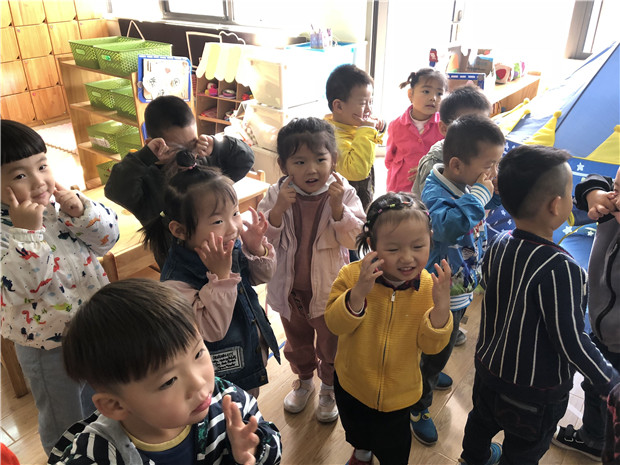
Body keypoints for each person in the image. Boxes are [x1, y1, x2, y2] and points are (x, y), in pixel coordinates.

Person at [459, 145, 620, 465]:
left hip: (489, 372)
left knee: (479, 423)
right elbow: (572, 341)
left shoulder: (498, 244)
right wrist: (610, 381)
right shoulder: (564, 269)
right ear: (556, 205)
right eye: (569, 192)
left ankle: (473, 458)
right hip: (535, 395)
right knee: (523, 450)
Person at [47, 279, 282, 465]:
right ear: (115, 405)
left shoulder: (228, 401)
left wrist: (255, 449)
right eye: (169, 381)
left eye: (199, 354)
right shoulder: (95, 455)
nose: (199, 383)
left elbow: (271, 440)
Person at [0, 119, 119, 455]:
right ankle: (67, 458)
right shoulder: (7, 233)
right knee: (64, 421)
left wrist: (83, 211)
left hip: (94, 329)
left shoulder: (61, 209)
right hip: (47, 348)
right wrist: (27, 234)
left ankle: (104, 450)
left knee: (104, 398)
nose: (39, 181)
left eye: (42, 166)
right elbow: (28, 286)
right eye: (19, 175)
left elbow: (107, 241)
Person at [325, 192, 453, 465]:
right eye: (393, 249)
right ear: (372, 244)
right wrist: (358, 294)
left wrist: (442, 309)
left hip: (400, 394)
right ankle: (361, 451)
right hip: (352, 382)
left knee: (394, 448)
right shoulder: (352, 275)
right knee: (356, 429)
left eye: (418, 246)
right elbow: (334, 324)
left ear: (430, 239)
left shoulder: (429, 287)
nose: (407, 258)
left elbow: (431, 347)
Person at [142, 156, 280, 397]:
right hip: (221, 374)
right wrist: (221, 276)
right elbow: (211, 330)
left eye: (235, 213)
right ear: (179, 230)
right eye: (218, 220)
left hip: (250, 349)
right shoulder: (175, 281)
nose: (233, 227)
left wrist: (257, 249)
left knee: (250, 402)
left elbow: (262, 277)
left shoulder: (229, 245)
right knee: (229, 410)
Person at [257, 117, 365, 423]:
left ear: (334, 160)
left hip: (329, 289)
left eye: (320, 159)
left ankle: (328, 386)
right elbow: (261, 241)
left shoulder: (343, 193)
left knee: (331, 341)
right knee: (297, 339)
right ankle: (304, 380)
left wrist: (338, 210)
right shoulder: (276, 193)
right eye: (300, 162)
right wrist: (278, 210)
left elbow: (356, 239)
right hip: (289, 289)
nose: (311, 169)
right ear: (283, 165)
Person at [412, 114, 505, 446]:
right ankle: (418, 405)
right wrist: (479, 195)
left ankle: (431, 369)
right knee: (434, 344)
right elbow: (448, 226)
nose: (492, 172)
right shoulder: (435, 190)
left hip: (461, 283)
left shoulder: (468, 184)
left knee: (444, 345)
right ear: (456, 164)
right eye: (489, 165)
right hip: (439, 292)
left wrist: (494, 190)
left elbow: (484, 204)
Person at [104, 95, 255, 267]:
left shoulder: (204, 162)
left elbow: (245, 160)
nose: (187, 156)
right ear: (153, 144)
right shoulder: (145, 182)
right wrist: (144, 157)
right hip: (179, 267)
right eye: (176, 150)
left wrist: (217, 145)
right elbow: (115, 189)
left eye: (192, 145)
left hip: (224, 254)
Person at [552, 166, 620, 461]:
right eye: (616, 188)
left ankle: (599, 439)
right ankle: (593, 436)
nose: (616, 198)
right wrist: (595, 193)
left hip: (617, 339)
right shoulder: (611, 208)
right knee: (594, 387)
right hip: (601, 326)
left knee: (606, 393)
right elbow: (592, 182)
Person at [411, 85, 492, 199]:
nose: (477, 135)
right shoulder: (434, 165)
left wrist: (493, 193)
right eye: (467, 127)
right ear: (444, 129)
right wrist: (478, 197)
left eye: (482, 126)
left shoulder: (477, 154)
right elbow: (439, 209)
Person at [325, 64, 386, 211]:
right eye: (363, 103)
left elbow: (366, 148)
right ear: (338, 106)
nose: (369, 109)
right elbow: (356, 171)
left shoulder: (351, 124)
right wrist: (367, 130)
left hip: (361, 195)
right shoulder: (332, 138)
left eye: (371, 102)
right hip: (345, 208)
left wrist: (378, 129)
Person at [385, 68, 447, 193]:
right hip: (400, 189)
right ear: (410, 94)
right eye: (426, 91)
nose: (433, 98)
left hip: (431, 189)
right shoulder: (396, 125)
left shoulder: (444, 127)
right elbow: (389, 159)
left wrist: (428, 168)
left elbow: (449, 158)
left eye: (439, 93)